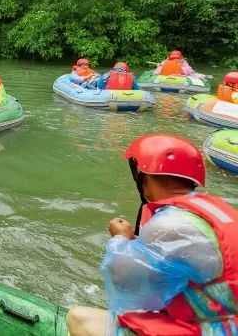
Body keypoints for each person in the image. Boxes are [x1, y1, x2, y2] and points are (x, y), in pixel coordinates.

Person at [66, 134, 238, 336]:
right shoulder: (212, 208)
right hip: (221, 320)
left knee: (78, 318)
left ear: (145, 178)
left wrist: (121, 239)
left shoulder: (168, 224)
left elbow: (129, 289)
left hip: (216, 330)